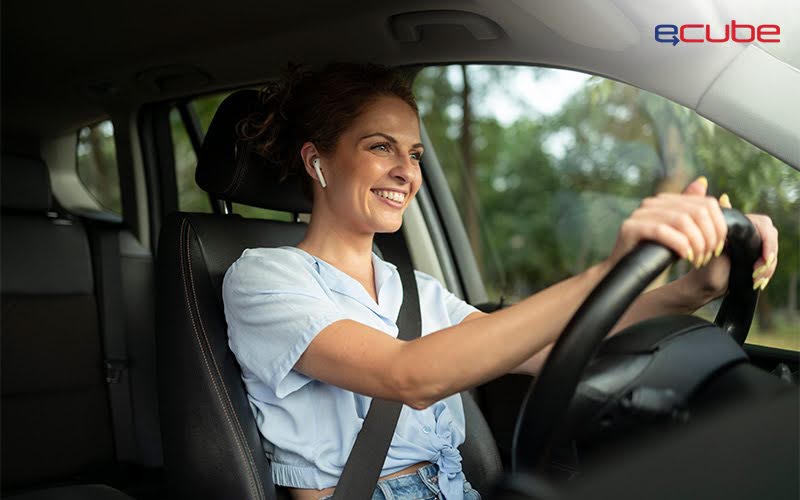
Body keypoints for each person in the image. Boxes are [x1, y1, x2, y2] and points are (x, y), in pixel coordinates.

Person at [221, 63, 779, 500]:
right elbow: (408, 375)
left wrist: (692, 290)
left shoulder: (414, 289)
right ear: (316, 161)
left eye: (414, 153)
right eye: (380, 146)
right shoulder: (263, 278)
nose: (407, 172)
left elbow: (547, 347)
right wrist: (607, 270)